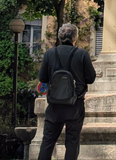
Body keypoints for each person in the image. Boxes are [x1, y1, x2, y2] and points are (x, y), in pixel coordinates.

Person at [37, 23, 96, 160]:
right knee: (72, 143)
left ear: (59, 37)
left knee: (48, 141)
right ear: (75, 38)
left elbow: (42, 78)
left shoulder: (50, 53)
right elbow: (91, 78)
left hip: (54, 105)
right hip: (75, 104)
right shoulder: (82, 54)